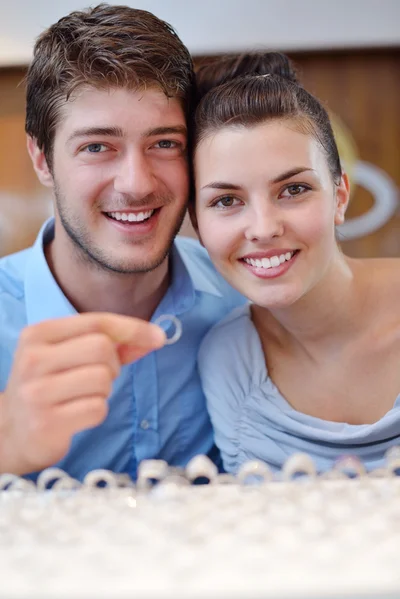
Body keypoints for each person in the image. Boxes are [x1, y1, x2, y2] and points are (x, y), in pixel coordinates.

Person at [0, 4, 244, 479]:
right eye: (97, 147)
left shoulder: (247, 299)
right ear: (43, 158)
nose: (135, 183)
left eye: (164, 143)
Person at [192, 51, 400, 474]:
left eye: (293, 190)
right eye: (227, 201)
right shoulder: (228, 360)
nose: (263, 228)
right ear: (197, 222)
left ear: (340, 196)